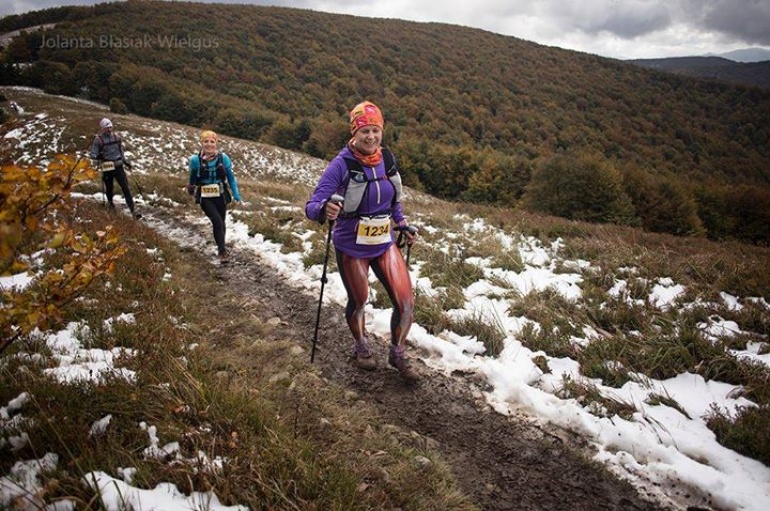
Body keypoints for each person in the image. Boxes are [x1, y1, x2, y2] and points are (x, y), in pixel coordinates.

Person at [305, 101, 419, 382]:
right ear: (354, 132)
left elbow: (394, 200)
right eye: (364, 130)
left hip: (384, 242)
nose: (371, 136)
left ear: (381, 131)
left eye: (375, 130)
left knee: (405, 302)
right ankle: (361, 345)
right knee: (359, 300)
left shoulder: (388, 159)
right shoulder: (341, 164)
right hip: (352, 245)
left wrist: (402, 224)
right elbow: (313, 204)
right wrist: (324, 209)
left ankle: (398, 353)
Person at [187, 129, 241, 264]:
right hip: (205, 196)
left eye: (212, 141)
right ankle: (222, 252)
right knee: (217, 221)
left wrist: (236, 195)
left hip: (221, 194)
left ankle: (221, 247)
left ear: (216, 143)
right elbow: (192, 177)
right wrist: (191, 188)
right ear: (201, 143)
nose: (209, 144)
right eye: (206, 141)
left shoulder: (224, 158)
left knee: (221, 223)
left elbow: (231, 178)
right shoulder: (195, 160)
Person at [89, 118, 141, 219]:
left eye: (110, 127)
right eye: (106, 128)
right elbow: (93, 154)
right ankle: (111, 205)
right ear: (102, 129)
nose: (109, 130)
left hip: (118, 166)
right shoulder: (98, 140)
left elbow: (121, 151)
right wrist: (99, 156)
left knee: (125, 188)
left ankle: (133, 211)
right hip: (107, 167)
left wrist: (125, 162)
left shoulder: (117, 138)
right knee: (109, 188)